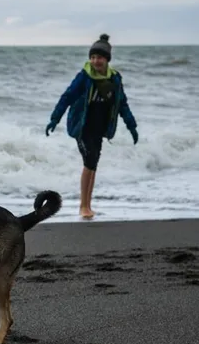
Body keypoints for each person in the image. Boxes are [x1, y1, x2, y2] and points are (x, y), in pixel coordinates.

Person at [45, 33, 139, 219]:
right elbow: (67, 97)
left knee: (93, 163)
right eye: (93, 57)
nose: (96, 61)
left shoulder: (115, 79)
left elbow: (122, 104)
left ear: (107, 59)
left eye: (100, 57)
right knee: (89, 161)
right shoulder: (84, 77)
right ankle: (83, 206)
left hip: (100, 128)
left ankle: (88, 204)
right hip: (82, 127)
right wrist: (55, 119)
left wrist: (131, 126)